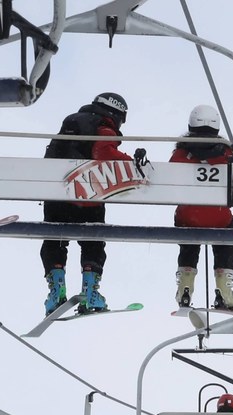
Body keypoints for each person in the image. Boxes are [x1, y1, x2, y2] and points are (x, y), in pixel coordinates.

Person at [40, 93, 143, 316]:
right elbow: (103, 152)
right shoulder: (103, 126)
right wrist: (132, 164)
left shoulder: (72, 122)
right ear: (115, 113)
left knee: (54, 241)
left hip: (56, 194)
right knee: (93, 242)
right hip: (85, 196)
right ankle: (90, 293)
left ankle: (56, 291)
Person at [170, 104, 233, 309]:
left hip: (188, 217)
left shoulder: (180, 154)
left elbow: (169, 183)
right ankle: (224, 289)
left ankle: (185, 288)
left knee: (186, 230)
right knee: (228, 229)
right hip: (219, 218)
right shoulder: (228, 155)